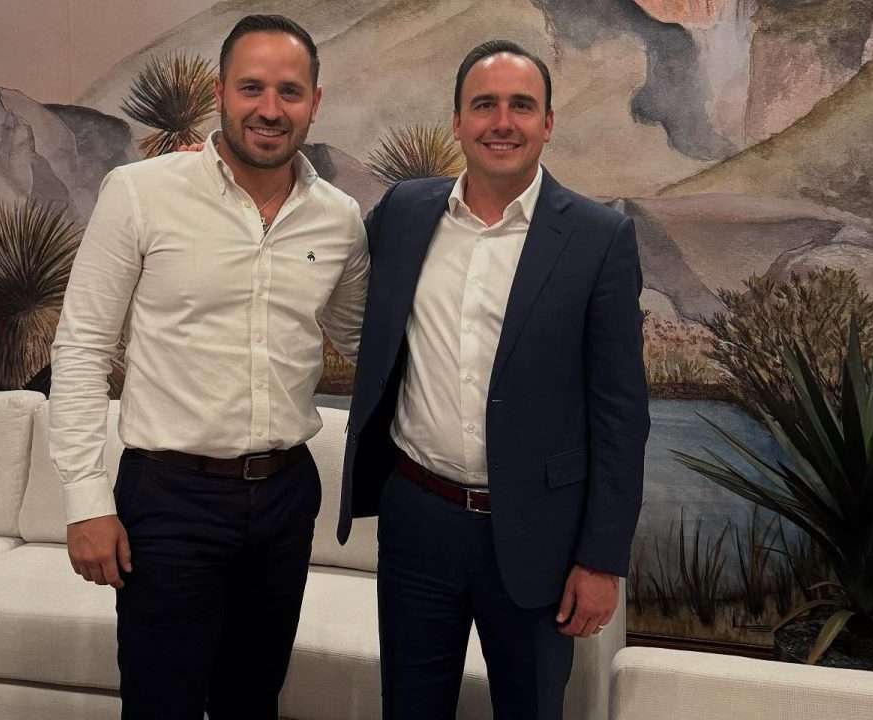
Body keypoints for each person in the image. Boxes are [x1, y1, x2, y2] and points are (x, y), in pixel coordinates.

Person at [49, 14, 368, 720]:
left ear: (314, 102)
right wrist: (85, 499)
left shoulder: (339, 218)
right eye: (251, 87)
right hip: (169, 499)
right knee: (160, 705)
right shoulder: (139, 192)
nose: (269, 108)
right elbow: (82, 348)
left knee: (252, 702)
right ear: (220, 92)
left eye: (289, 91)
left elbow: (361, 339)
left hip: (286, 497)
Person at [337, 40, 649, 719]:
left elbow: (621, 416)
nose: (501, 122)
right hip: (418, 519)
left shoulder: (598, 239)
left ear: (548, 123)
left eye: (521, 106)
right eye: (484, 105)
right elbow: (328, 269)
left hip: (540, 534)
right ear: (457, 122)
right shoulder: (404, 213)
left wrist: (602, 559)